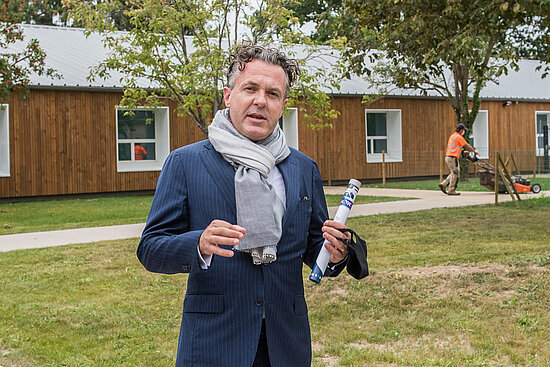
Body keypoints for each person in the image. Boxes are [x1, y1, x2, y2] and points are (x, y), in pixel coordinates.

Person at [137, 43, 355, 367]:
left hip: (286, 346)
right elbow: (151, 249)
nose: (260, 101)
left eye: (273, 93)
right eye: (250, 88)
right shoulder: (185, 163)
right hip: (215, 345)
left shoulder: (303, 168)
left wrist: (336, 253)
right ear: (228, 96)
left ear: (283, 104)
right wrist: (198, 244)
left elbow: (313, 247)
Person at [439, 123, 478, 195]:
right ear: (460, 130)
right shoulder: (459, 137)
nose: (463, 131)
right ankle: (451, 190)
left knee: (454, 172)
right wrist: (474, 151)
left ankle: (444, 184)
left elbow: (455, 147)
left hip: (448, 157)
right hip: (453, 157)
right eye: (463, 130)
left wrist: (463, 151)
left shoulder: (453, 136)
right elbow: (467, 145)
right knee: (456, 173)